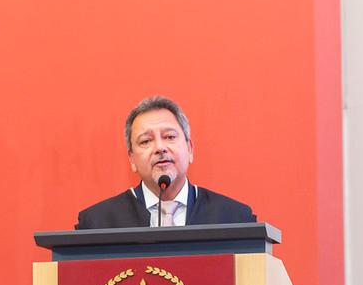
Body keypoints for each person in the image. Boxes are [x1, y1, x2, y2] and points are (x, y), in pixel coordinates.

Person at [75, 96, 256, 229]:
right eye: (146, 141)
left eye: (169, 137)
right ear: (132, 160)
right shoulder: (98, 223)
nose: (160, 148)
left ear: (190, 149)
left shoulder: (234, 219)